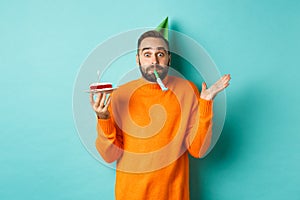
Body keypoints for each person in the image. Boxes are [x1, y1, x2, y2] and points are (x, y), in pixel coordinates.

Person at [90, 30, 231, 200]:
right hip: (130, 194)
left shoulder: (187, 91)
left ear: (169, 59)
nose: (154, 61)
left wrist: (206, 104)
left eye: (160, 54)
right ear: (138, 60)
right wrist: (103, 119)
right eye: (147, 54)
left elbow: (198, 150)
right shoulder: (120, 95)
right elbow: (109, 155)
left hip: (174, 195)